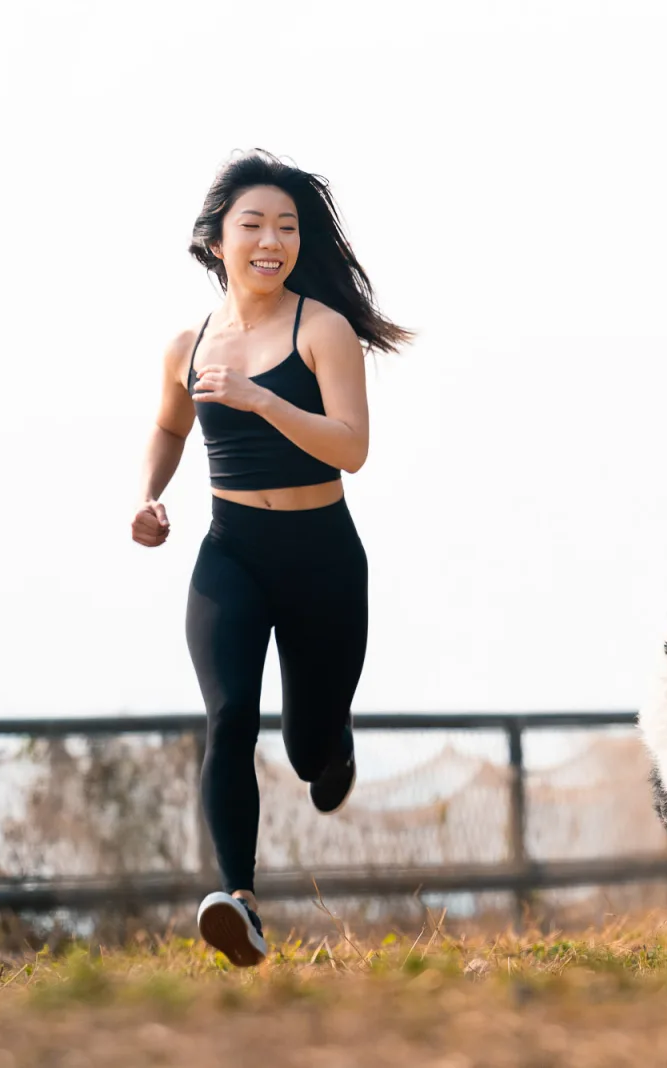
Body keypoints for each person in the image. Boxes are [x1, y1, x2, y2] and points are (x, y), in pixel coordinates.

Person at [131, 150, 411, 967]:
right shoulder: (188, 344)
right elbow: (170, 426)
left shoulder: (320, 329)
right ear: (215, 239)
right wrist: (149, 497)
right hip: (232, 553)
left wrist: (260, 397)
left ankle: (336, 743)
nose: (271, 240)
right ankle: (239, 901)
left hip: (321, 557)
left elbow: (350, 448)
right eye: (252, 224)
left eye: (286, 227)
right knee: (228, 717)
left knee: (307, 752)